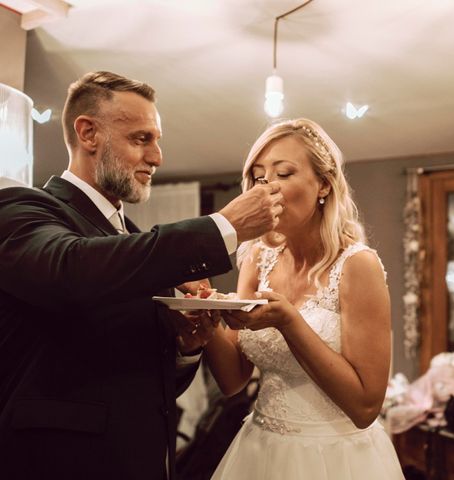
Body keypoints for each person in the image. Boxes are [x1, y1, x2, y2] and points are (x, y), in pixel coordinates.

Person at [0, 71, 283, 480]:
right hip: (56, 464)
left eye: (157, 140)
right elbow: (70, 269)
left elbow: (144, 385)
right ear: (88, 133)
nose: (157, 157)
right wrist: (223, 225)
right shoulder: (22, 209)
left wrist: (186, 349)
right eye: (141, 139)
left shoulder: (133, 241)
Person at [198, 118, 404, 479]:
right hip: (262, 451)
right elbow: (233, 381)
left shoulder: (358, 266)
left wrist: (289, 321)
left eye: (283, 173)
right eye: (259, 178)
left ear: (323, 184)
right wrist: (207, 314)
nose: (267, 190)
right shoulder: (256, 258)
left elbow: (365, 406)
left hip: (337, 458)